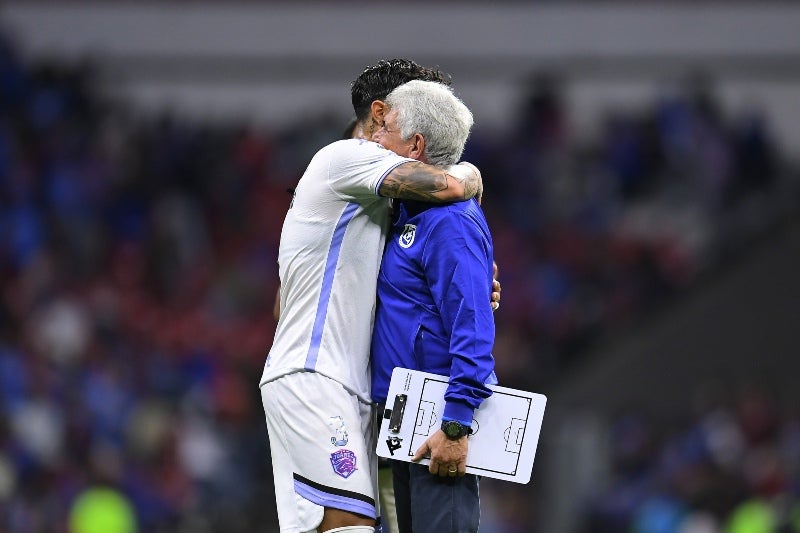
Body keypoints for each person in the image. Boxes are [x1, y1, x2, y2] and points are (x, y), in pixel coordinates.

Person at [259, 67, 485, 533]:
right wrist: (469, 172)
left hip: (358, 390)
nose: (385, 135)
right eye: (390, 121)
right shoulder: (346, 156)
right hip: (316, 374)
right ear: (380, 113)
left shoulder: (387, 208)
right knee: (349, 524)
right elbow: (453, 185)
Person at [370, 80, 497, 533]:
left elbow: (474, 326)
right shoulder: (410, 213)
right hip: (404, 415)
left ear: (416, 145)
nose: (374, 138)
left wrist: (457, 424)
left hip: (437, 424)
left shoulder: (449, 223)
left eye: (385, 130)